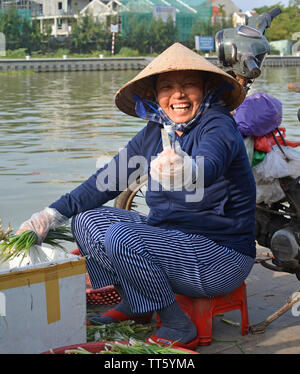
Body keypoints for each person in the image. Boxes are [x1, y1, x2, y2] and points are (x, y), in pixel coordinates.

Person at [16, 43, 256, 350]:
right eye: (167, 87)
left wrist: (186, 171)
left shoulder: (217, 124)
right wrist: (49, 215)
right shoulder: (157, 130)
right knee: (87, 220)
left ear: (205, 88)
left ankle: (177, 323)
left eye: (189, 86)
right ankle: (135, 303)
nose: (178, 96)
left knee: (121, 237)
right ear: (155, 96)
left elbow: (210, 165)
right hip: (171, 239)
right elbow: (105, 181)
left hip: (219, 257)